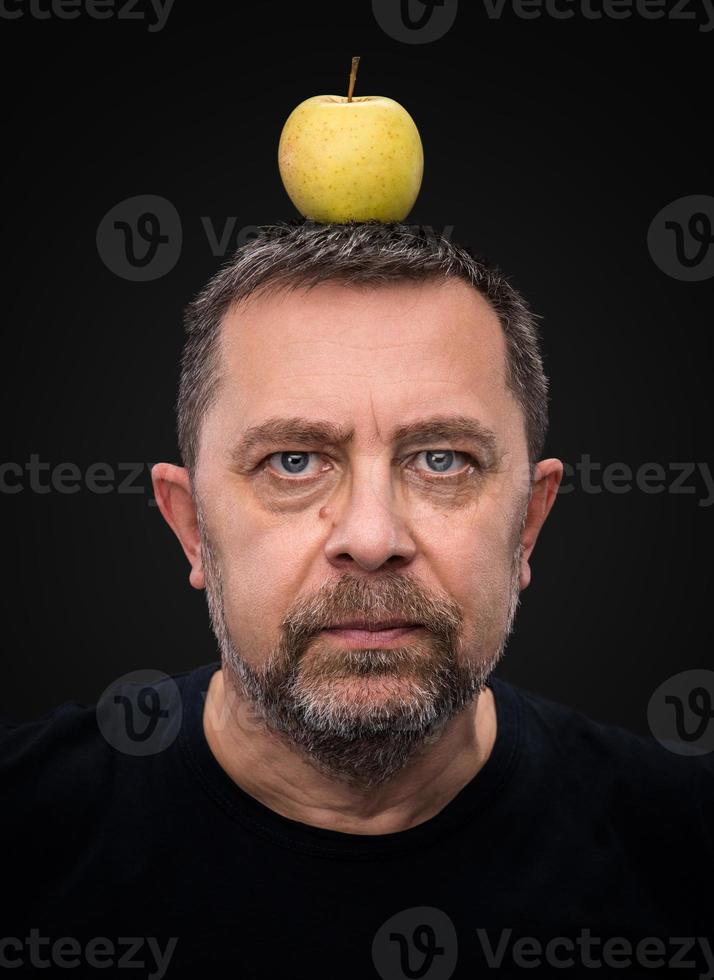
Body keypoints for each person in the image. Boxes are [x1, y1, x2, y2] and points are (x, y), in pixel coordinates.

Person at [2, 221, 712, 979]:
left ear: (528, 525)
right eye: (294, 461)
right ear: (192, 529)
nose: (372, 538)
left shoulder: (686, 850)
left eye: (443, 460)